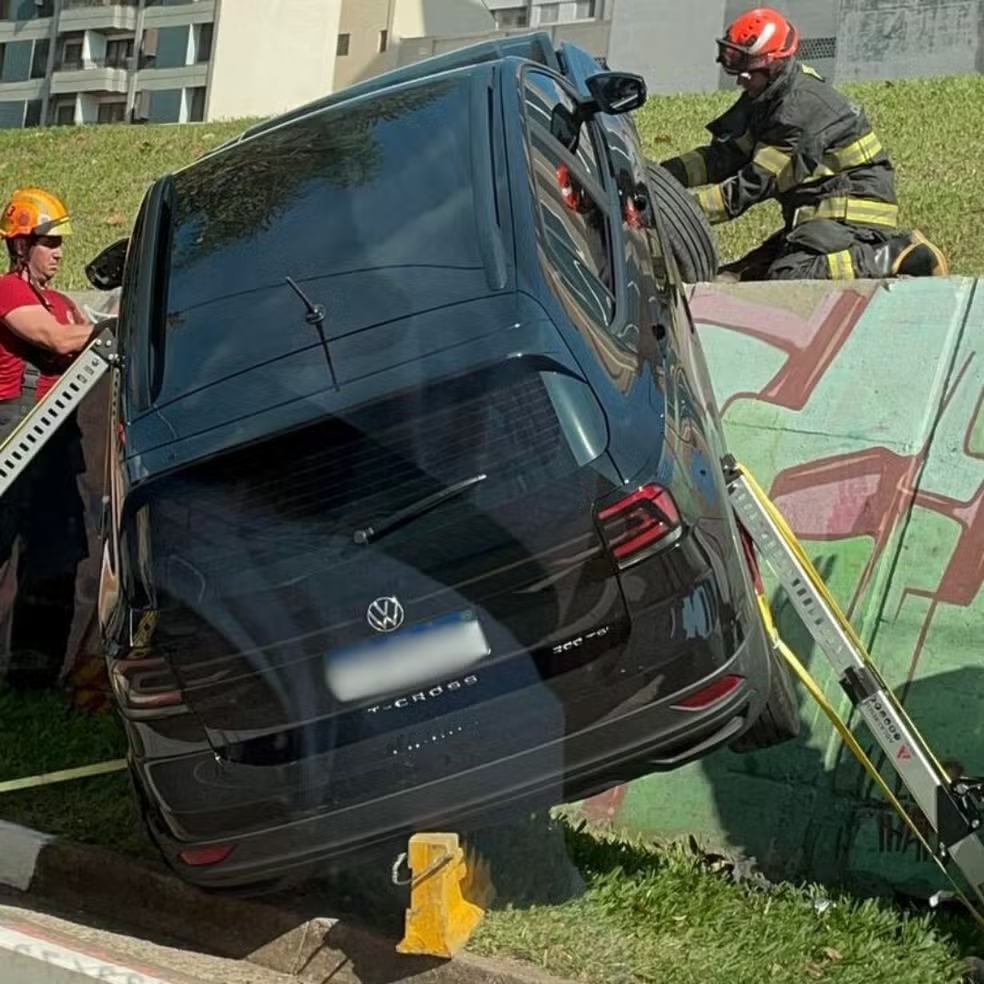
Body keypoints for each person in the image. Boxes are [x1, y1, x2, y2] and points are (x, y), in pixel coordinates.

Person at [660, 7, 949, 282]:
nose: (741, 82)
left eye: (748, 73)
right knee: (733, 279)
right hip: (815, 217)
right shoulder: (767, 98)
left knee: (788, 276)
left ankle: (897, 255)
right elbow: (723, 157)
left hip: (849, 220)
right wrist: (658, 177)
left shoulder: (799, 110)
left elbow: (751, 186)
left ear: (773, 65)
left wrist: (671, 212)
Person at [0, 187, 94, 690]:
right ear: (20, 245)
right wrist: (111, 324)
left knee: (56, 557)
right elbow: (58, 340)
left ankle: (33, 676)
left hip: (57, 443)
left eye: (61, 241)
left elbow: (86, 341)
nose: (59, 250)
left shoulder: (62, 301)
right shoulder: (7, 291)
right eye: (48, 240)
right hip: (10, 437)